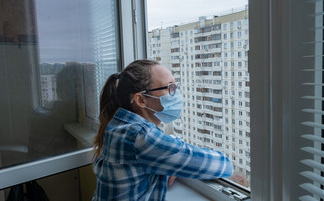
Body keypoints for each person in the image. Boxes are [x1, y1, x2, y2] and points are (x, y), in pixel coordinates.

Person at [92, 59, 233, 201]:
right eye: (169, 87)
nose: (175, 92)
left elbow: (157, 149)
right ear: (141, 100)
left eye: (175, 86)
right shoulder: (141, 137)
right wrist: (177, 161)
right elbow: (224, 166)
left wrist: (173, 160)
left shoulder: (119, 125)